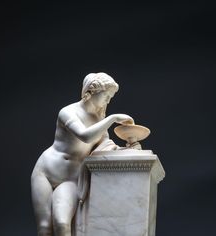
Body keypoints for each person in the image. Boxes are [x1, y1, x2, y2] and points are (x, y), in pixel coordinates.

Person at [31, 72, 137, 236]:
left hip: (70, 178)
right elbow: (85, 136)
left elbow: (105, 145)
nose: (108, 100)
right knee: (45, 228)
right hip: (45, 171)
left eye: (110, 97)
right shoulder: (68, 112)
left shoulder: (98, 119)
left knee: (61, 223)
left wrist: (130, 147)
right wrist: (112, 118)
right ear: (92, 91)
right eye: (106, 95)